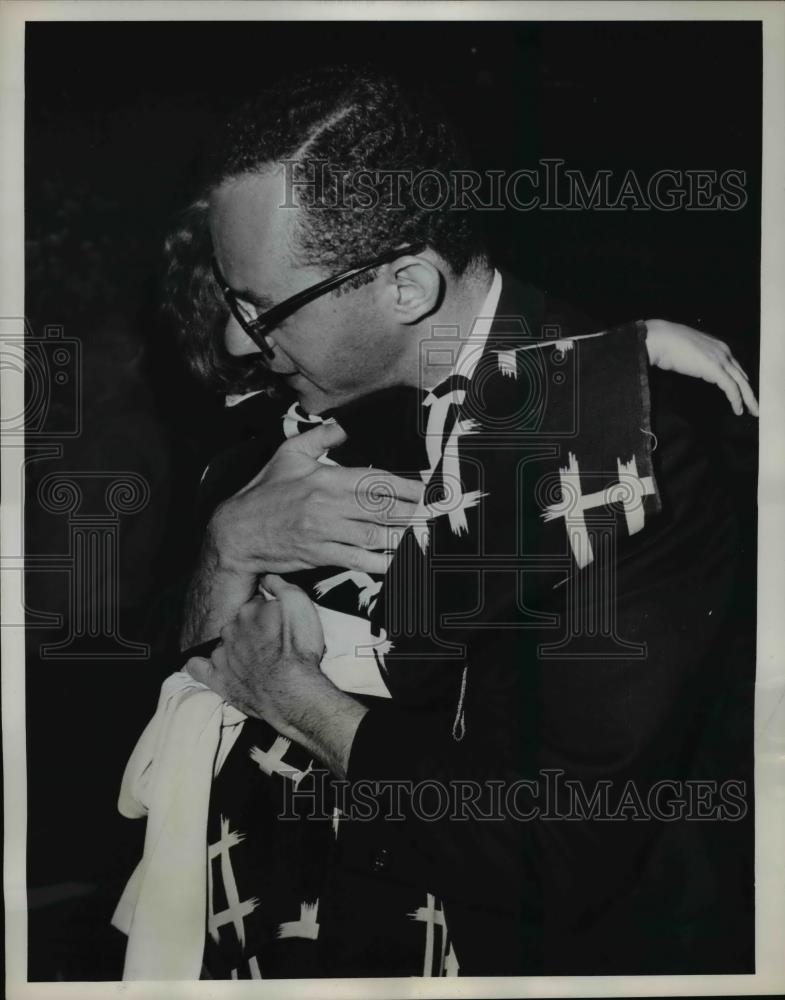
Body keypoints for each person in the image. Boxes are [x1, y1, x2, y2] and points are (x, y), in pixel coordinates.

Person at [113, 67, 758, 979]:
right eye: (231, 300)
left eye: (260, 308)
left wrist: (301, 704)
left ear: (406, 285)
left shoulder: (629, 442)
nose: (232, 341)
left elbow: (556, 847)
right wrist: (227, 549)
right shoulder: (291, 417)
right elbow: (171, 684)